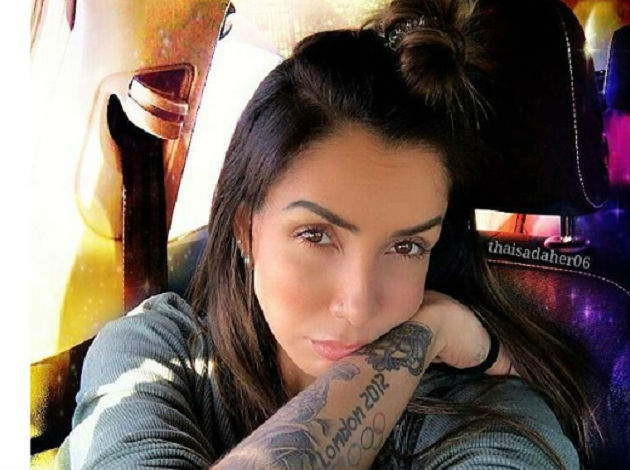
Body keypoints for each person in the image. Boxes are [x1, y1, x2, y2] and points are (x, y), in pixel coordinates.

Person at [55, 0, 600, 469]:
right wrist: (428, 329)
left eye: (407, 246)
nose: (358, 306)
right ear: (246, 229)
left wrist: (428, 334)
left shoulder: (487, 412)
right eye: (316, 235)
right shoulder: (155, 353)